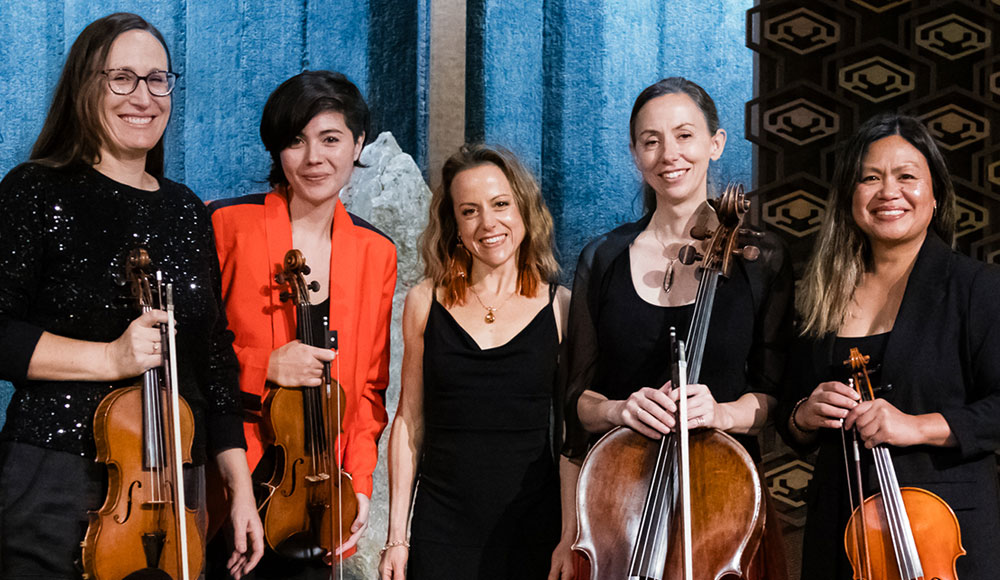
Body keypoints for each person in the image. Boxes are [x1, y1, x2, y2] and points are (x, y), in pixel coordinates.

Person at [0, 12, 262, 580]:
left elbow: (212, 361)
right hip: (56, 476)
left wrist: (239, 490)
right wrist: (109, 358)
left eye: (157, 79)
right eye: (122, 77)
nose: (143, 97)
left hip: (172, 483)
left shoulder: (187, 210)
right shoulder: (36, 189)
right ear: (85, 85)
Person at [561, 77, 793, 578]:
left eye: (685, 135)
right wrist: (619, 409)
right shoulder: (602, 258)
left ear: (716, 143)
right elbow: (575, 398)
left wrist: (724, 413)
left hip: (725, 509)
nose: (670, 153)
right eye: (651, 140)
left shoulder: (762, 259)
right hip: (620, 509)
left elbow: (777, 395)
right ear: (635, 153)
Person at [778, 113, 1000, 580]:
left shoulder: (975, 287)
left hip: (945, 535)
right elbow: (789, 413)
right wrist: (804, 413)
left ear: (935, 195)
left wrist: (916, 426)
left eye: (906, 177)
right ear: (849, 196)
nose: (888, 192)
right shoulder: (821, 293)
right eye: (870, 178)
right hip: (843, 528)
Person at [207, 70, 396, 578]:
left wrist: (357, 482)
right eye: (296, 141)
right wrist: (261, 365)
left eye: (331, 139)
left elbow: (368, 390)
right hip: (232, 480)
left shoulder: (376, 252)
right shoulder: (227, 224)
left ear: (357, 143)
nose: (314, 159)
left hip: (319, 489)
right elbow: (182, 354)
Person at [377, 144, 575, 580]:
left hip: (533, 529)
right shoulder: (424, 302)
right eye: (469, 211)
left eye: (501, 204)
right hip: (441, 528)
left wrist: (569, 535)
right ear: (454, 224)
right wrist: (397, 537)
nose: (489, 224)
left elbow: (568, 434)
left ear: (524, 208)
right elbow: (409, 422)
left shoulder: (560, 307)